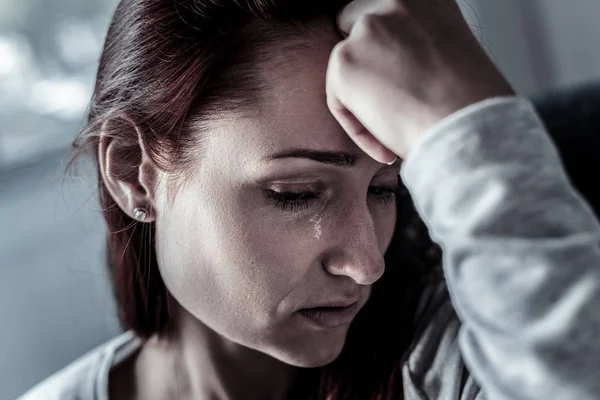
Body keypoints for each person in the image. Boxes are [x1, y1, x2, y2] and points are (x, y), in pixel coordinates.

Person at [17, 0, 600, 399]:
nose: (367, 263)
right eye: (296, 195)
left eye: (383, 191)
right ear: (132, 173)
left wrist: (465, 120)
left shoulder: (460, 360)